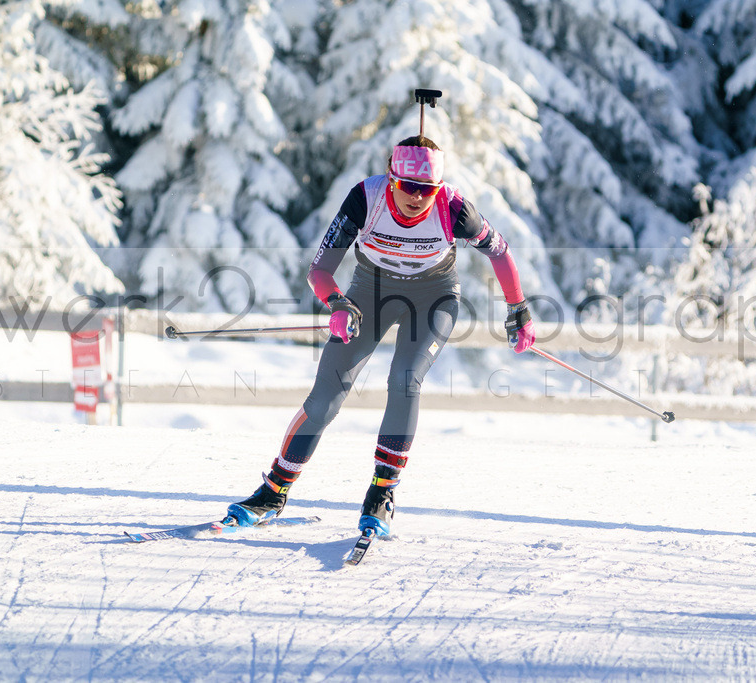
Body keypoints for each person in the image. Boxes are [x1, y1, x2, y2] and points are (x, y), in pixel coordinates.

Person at [226, 135, 536, 537]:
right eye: (408, 186)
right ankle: (273, 492)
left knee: (405, 379)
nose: (417, 197)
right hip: (368, 294)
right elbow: (319, 270)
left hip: (434, 297)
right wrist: (337, 303)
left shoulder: (454, 208)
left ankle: (382, 494)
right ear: (391, 178)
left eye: (427, 189)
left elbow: (500, 252)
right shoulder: (365, 199)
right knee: (324, 399)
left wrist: (518, 308)